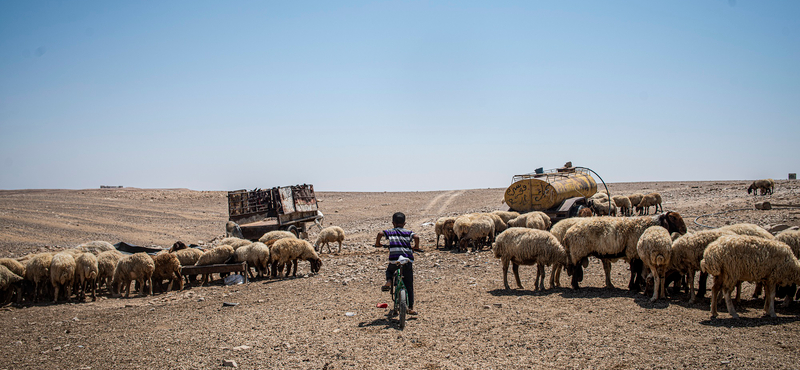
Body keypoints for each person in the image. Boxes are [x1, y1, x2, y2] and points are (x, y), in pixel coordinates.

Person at [375, 212, 422, 315]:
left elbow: (380, 234)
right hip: (407, 260)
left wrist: (378, 243)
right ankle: (410, 308)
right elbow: (417, 237)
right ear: (404, 223)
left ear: (393, 223)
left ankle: (389, 281)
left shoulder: (390, 232)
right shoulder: (408, 232)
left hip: (394, 259)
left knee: (390, 271)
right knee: (409, 284)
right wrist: (416, 247)